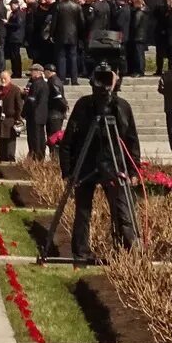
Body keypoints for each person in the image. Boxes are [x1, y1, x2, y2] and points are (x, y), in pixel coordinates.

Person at [60, 66, 141, 264]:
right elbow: (69, 139)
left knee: (122, 209)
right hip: (85, 163)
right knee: (83, 211)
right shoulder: (84, 104)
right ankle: (81, 251)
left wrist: (133, 169)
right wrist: (68, 171)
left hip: (113, 163)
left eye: (110, 77)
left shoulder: (121, 106)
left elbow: (131, 139)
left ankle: (126, 250)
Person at [50, 0, 84, 85]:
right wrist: (80, 34)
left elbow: (54, 22)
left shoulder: (59, 6)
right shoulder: (77, 6)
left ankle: (62, 78)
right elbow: (82, 22)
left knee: (61, 57)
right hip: (73, 35)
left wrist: (52, 34)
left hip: (61, 35)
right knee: (73, 57)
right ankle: (74, 79)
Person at [0, 72, 24, 163]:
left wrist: (18, 119)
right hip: (1, 120)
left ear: (9, 78)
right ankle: (2, 161)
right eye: (1, 78)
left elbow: (19, 106)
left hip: (11, 120)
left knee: (10, 142)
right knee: (2, 143)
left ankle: (11, 161)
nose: (3, 80)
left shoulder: (15, 89)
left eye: (5, 78)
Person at [22, 64, 49, 161]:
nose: (31, 74)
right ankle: (40, 157)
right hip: (41, 115)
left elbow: (31, 100)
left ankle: (36, 157)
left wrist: (23, 113)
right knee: (40, 137)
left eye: (32, 71)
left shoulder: (36, 84)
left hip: (34, 115)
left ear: (38, 72)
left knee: (35, 138)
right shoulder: (44, 84)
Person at [44, 65, 68, 153]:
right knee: (52, 139)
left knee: (54, 139)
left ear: (48, 72)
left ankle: (55, 159)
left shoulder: (53, 81)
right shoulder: (54, 80)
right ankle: (54, 158)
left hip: (54, 114)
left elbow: (59, 97)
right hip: (55, 113)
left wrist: (63, 109)